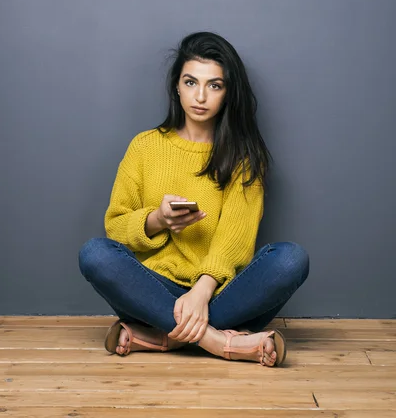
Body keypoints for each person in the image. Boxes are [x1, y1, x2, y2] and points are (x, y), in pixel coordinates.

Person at [79, 31, 309, 367]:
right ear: (176, 86)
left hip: (218, 294)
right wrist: (157, 219)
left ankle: (161, 337)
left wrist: (201, 293)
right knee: (95, 254)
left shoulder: (244, 157)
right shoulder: (144, 147)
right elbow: (115, 226)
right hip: (152, 291)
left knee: (291, 259)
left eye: (214, 85)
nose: (200, 96)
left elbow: (236, 239)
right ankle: (218, 342)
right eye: (190, 82)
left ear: (228, 93)